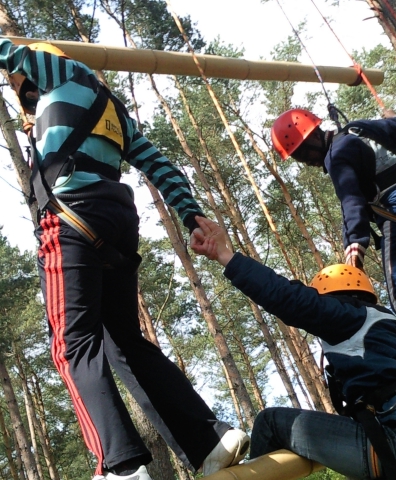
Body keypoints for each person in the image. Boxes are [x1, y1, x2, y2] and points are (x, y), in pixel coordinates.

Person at [0, 38, 249, 480]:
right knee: (124, 340)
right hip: (117, 218)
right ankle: (208, 440)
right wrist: (191, 214)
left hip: (72, 218)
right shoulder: (112, 109)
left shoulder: (63, 71)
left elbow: (7, 52)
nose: (31, 95)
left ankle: (119, 465)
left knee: (72, 342)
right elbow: (161, 167)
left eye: (28, 87)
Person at [191, 215, 396, 480]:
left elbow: (289, 298)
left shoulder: (348, 315)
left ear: (331, 298)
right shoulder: (390, 329)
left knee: (270, 422)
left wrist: (226, 256)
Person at [270, 108, 396, 391]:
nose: (305, 162)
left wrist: (354, 243)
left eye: (301, 154)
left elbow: (351, 200)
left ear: (313, 139)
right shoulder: (359, 129)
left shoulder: (336, 155)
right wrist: (381, 128)